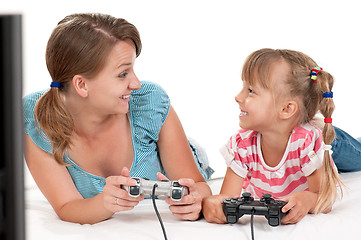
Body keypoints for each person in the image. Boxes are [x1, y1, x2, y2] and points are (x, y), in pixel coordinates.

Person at [23, 13, 213, 224]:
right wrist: (107, 202)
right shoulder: (35, 117)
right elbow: (67, 206)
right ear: (82, 85)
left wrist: (196, 199)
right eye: (123, 74)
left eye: (133, 70)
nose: (136, 83)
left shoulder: (149, 101)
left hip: (181, 154)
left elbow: (199, 185)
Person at [202, 48, 345, 225]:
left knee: (350, 151)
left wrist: (308, 200)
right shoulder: (242, 145)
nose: (238, 97)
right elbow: (227, 198)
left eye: (251, 90)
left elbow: (325, 198)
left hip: (329, 143)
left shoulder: (307, 142)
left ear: (286, 109)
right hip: (308, 151)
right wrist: (212, 205)